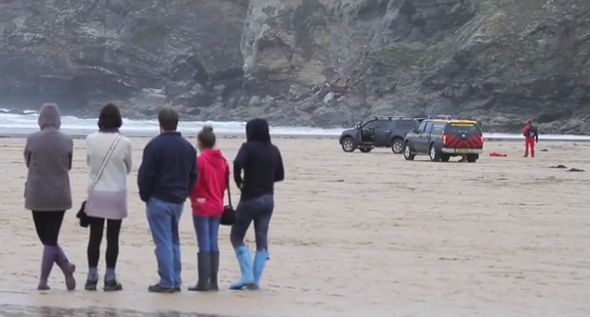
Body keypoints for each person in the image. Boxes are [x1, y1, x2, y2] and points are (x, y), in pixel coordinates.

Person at [137, 107, 197, 293]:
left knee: (163, 241)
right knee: (173, 240)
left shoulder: (155, 146)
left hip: (159, 198)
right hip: (178, 199)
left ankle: (167, 281)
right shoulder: (188, 147)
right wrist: (185, 192)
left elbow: (145, 174)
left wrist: (145, 194)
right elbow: (194, 174)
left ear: (160, 124)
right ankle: (175, 279)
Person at [24, 103, 76, 291]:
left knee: (46, 238)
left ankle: (43, 281)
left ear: (41, 120)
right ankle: (64, 265)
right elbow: (68, 165)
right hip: (59, 195)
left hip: (37, 195)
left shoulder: (32, 139)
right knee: (50, 239)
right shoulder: (67, 140)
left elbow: (28, 162)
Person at [230, 118, 284, 290]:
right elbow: (280, 175)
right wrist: (267, 179)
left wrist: (240, 181)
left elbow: (237, 163)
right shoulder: (274, 150)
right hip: (268, 198)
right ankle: (255, 280)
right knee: (261, 239)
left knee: (236, 236)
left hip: (250, 197)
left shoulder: (248, 148)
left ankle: (247, 275)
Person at [84, 103, 132, 291]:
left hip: (96, 192)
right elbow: (128, 167)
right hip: (116, 192)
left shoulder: (90, 139)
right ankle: (110, 277)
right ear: (118, 120)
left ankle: (91, 276)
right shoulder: (124, 142)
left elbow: (88, 162)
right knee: (113, 238)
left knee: (94, 237)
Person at [188, 126, 228, 292]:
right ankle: (213, 281)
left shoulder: (200, 161)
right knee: (213, 241)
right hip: (217, 204)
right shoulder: (223, 161)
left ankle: (203, 282)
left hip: (202, 204)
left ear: (200, 142)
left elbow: (195, 184)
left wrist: (191, 194)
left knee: (203, 242)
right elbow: (224, 184)